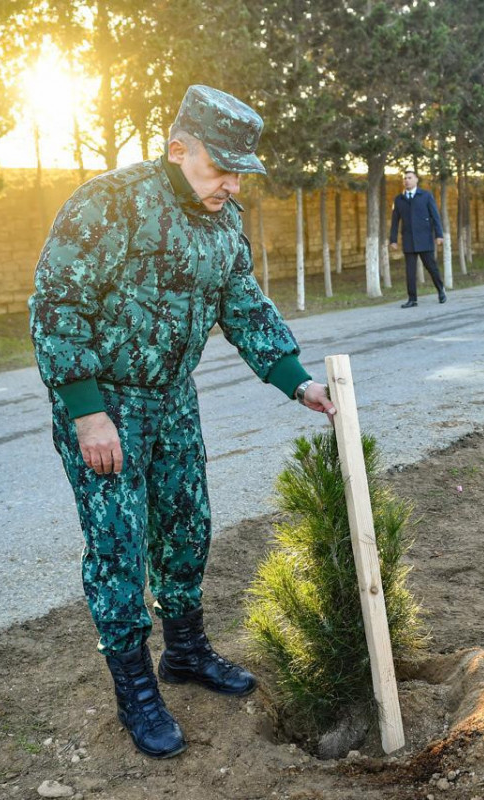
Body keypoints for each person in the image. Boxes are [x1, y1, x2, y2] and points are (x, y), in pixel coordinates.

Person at [29, 85, 336, 759]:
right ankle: (135, 686)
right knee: (119, 543)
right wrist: (87, 413)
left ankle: (187, 652)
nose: (231, 182)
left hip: (172, 398)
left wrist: (298, 383)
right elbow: (56, 306)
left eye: (238, 171)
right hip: (106, 403)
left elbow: (244, 304)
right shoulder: (110, 203)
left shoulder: (222, 221)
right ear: (178, 149)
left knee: (187, 526)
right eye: (220, 167)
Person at [388, 169, 446, 308]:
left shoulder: (425, 196)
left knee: (432, 267)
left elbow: (435, 216)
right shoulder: (399, 199)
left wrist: (439, 235)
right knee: (410, 271)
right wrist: (393, 239)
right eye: (405, 178)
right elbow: (395, 221)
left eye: (409, 178)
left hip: (424, 238)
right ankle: (412, 299)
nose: (406, 180)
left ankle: (441, 290)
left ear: (416, 180)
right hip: (409, 239)